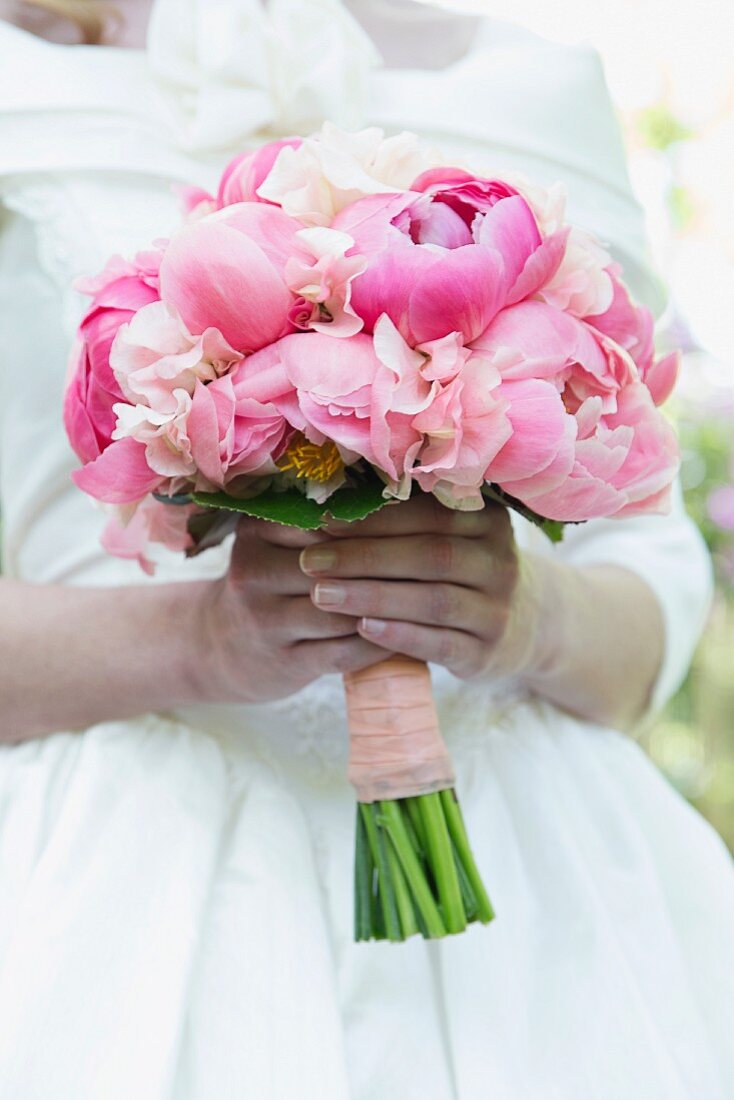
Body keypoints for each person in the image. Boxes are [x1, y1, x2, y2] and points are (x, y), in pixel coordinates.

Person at [0, 1, 732, 1097]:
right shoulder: (24, 77)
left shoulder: (535, 85)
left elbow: (651, 586)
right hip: (116, 875)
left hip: (542, 893)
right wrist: (199, 638)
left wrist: (528, 614)